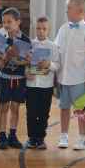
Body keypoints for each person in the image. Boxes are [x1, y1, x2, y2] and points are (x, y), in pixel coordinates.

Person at [54, 0, 85, 151]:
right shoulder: (63, 28)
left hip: (79, 78)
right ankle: (64, 136)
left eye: (69, 8)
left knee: (82, 109)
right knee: (64, 107)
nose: (66, 11)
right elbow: (56, 50)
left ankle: (82, 138)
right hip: (63, 77)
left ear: (80, 10)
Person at [0, 7, 31, 150]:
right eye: (4, 22)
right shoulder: (1, 39)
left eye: (9, 21)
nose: (6, 25)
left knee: (15, 107)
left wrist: (20, 59)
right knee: (3, 107)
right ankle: (2, 135)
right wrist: (5, 56)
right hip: (5, 77)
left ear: (18, 22)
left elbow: (28, 60)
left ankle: (12, 134)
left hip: (19, 78)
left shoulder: (25, 39)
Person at [25, 16, 60, 150]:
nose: (41, 31)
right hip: (31, 84)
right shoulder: (29, 44)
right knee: (31, 113)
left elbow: (57, 65)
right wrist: (26, 71)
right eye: (38, 28)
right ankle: (31, 138)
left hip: (46, 85)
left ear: (48, 30)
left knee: (43, 113)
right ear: (35, 29)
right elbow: (23, 62)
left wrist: (49, 64)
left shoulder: (53, 46)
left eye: (44, 29)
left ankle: (40, 138)